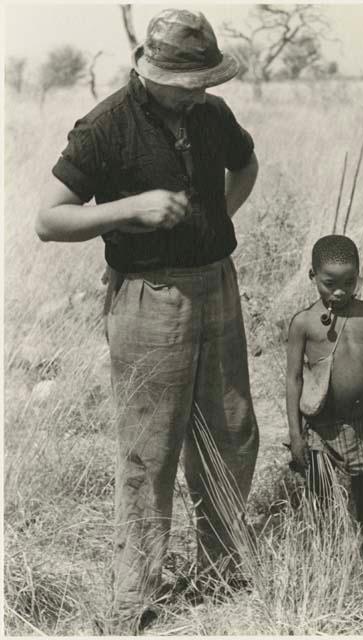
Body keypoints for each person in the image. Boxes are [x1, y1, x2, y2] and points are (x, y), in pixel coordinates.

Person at [35, 9, 259, 633]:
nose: (201, 93)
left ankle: (219, 567)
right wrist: (131, 207)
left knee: (232, 431)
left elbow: (245, 164)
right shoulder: (106, 125)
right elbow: (48, 220)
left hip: (217, 286)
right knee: (147, 452)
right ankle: (134, 594)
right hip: (147, 298)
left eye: (206, 81)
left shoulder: (210, 114)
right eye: (190, 82)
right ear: (154, 72)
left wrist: (218, 221)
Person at [286, 235, 363, 558]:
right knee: (320, 494)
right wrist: (296, 435)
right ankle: (327, 555)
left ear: (359, 275)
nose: (340, 291)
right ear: (312, 276)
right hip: (323, 427)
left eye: (349, 282)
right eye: (329, 283)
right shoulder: (303, 324)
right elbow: (293, 380)